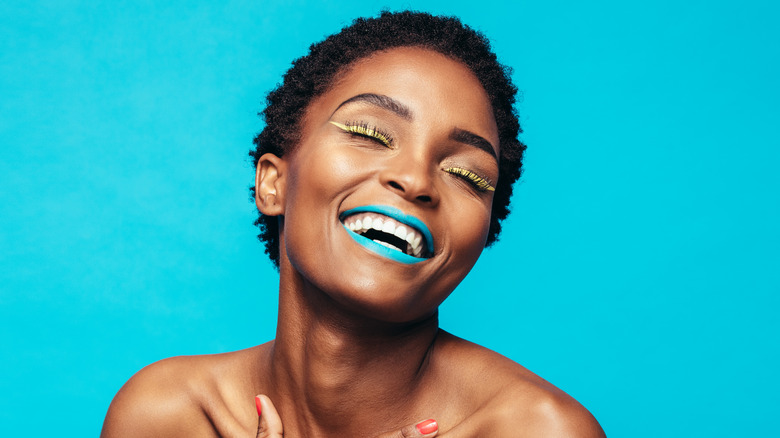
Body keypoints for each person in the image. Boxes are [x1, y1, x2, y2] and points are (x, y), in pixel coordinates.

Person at [101, 11, 605, 437]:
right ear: (273, 184)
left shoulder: (533, 429)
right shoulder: (172, 416)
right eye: (368, 132)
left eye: (466, 174)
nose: (415, 179)